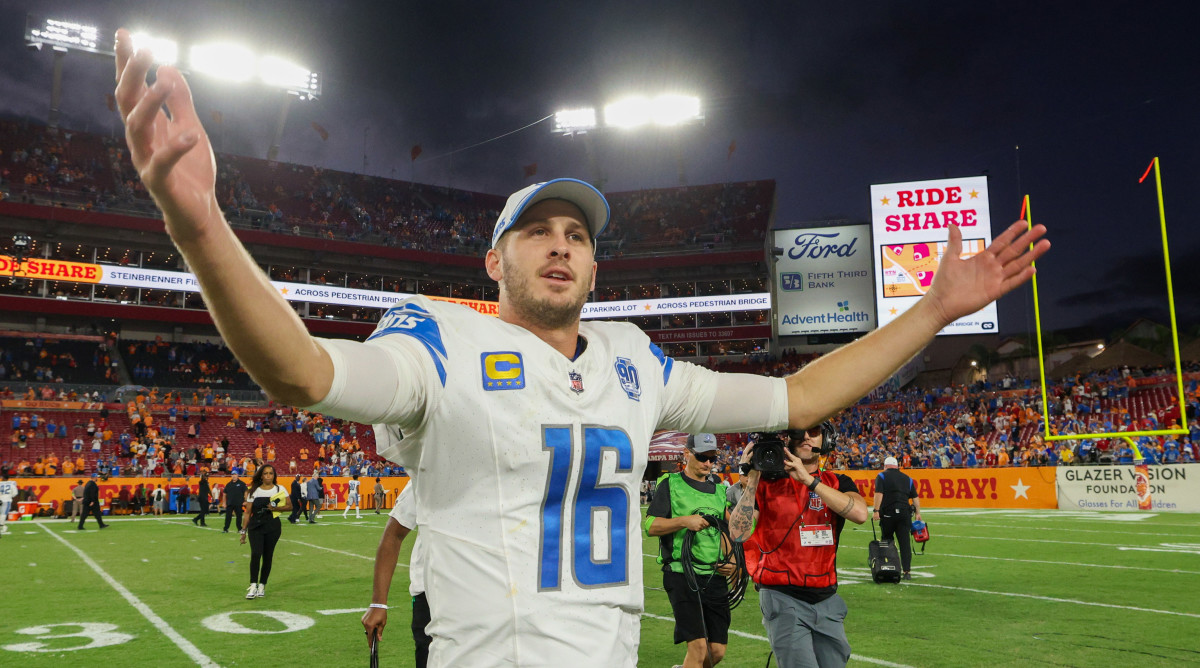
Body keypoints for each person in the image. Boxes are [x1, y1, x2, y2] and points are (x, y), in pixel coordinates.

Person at [111, 30, 1047, 666]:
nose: (562, 243)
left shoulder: (634, 361)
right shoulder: (437, 336)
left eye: (580, 234)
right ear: (496, 257)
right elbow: (301, 371)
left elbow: (797, 400)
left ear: (595, 268)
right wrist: (199, 226)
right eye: (538, 229)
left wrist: (930, 311)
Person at [728, 424, 867, 668]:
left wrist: (808, 481)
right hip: (782, 596)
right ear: (787, 442)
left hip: (827, 598)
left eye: (813, 432)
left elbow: (860, 513)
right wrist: (751, 481)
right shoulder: (766, 485)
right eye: (797, 434)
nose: (805, 437)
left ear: (826, 440)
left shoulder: (837, 482)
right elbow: (738, 532)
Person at [646, 433, 735, 667]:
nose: (707, 463)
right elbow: (651, 526)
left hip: (714, 574)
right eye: (702, 457)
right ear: (686, 454)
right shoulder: (670, 483)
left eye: (712, 458)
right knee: (697, 647)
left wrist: (732, 559)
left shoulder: (718, 489)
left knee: (716, 651)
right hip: (681, 573)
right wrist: (684, 521)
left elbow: (726, 530)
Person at [362, 483, 430, 667]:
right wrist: (378, 602)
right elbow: (394, 534)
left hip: (491, 592)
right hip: (431, 593)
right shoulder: (427, 469)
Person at [240, 464, 291, 599]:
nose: (268, 476)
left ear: (274, 476)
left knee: (268, 556)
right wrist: (243, 531)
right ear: (261, 476)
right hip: (255, 526)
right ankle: (253, 585)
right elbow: (248, 512)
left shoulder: (280, 489)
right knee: (256, 554)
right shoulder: (253, 491)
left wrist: (275, 509)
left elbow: (290, 506)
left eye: (271, 473)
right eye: (265, 473)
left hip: (273, 527)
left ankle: (262, 585)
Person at [873, 456, 921, 580]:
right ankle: (907, 572)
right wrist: (918, 513)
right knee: (905, 543)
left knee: (887, 542)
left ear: (886, 466)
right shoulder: (908, 478)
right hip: (905, 514)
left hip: (888, 513)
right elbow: (915, 497)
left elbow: (879, 494)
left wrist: (876, 510)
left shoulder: (882, 476)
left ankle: (888, 567)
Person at [0, 471, 17, 538]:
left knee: (1, 514)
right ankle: (2, 526)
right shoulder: (11, 484)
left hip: (0, 499)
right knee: (3, 514)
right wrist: (9, 496)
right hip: (7, 500)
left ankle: (2, 525)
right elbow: (15, 493)